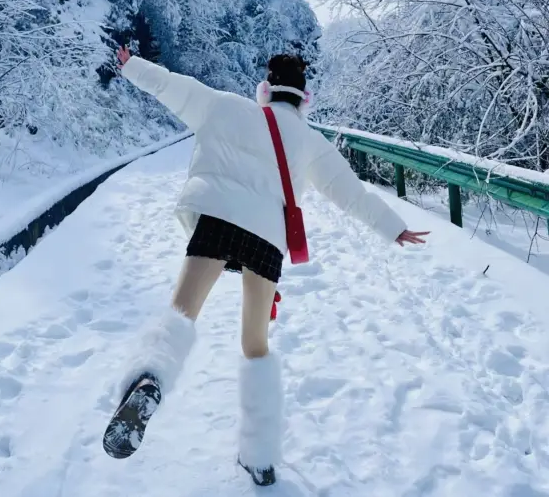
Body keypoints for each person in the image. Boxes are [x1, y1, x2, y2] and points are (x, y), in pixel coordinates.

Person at [103, 47, 429, 486]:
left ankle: (149, 384)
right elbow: (351, 194)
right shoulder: (310, 141)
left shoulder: (224, 106)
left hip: (216, 221)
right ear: (304, 99)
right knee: (255, 344)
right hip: (265, 240)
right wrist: (394, 229)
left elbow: (169, 85)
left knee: (181, 312)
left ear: (265, 89)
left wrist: (130, 64)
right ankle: (258, 456)